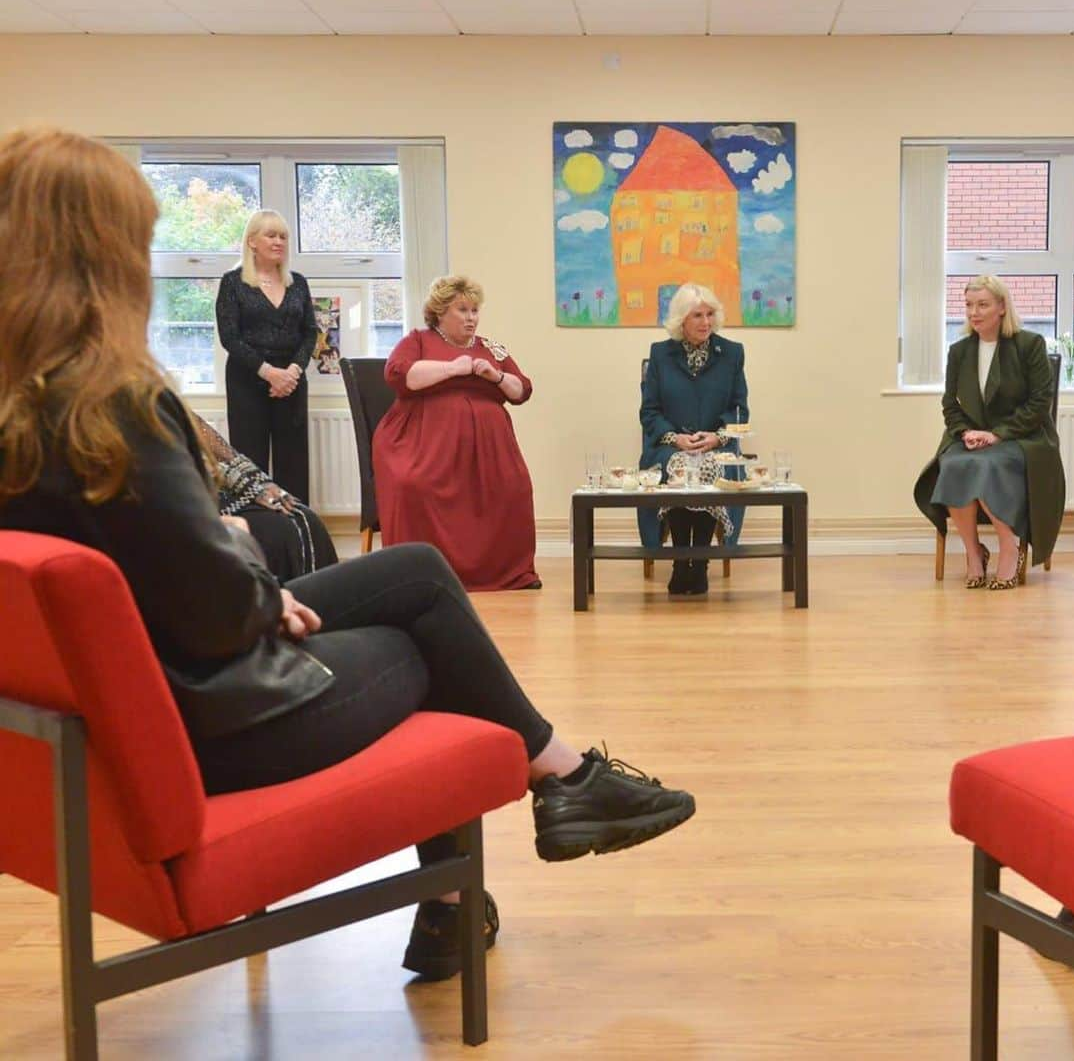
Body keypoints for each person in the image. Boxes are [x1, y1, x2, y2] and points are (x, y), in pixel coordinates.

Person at [0, 128, 695, 983]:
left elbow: (116, 575)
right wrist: (249, 566)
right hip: (222, 725)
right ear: (108, 259)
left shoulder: (25, 406)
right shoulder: (116, 403)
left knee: (414, 573)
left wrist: (234, 569)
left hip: (118, 724)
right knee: (425, 642)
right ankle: (542, 796)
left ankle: (549, 792)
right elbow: (217, 607)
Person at [373, 275, 540, 591]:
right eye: (462, 310)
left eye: (475, 310)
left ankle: (509, 573)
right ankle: (418, 574)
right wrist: (453, 368)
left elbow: (521, 391)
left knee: (515, 488)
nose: (471, 318)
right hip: (425, 445)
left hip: (489, 449)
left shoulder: (490, 348)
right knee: (414, 486)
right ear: (440, 312)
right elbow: (398, 374)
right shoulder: (418, 340)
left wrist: (496, 375)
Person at [914, 275, 1065, 589]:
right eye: (969, 305)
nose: (974, 312)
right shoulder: (959, 351)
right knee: (954, 463)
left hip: (1024, 437)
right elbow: (949, 403)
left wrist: (997, 435)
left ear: (1001, 307)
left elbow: (1039, 403)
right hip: (972, 437)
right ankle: (974, 553)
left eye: (982, 304)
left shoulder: (1029, 344)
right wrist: (966, 432)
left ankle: (1008, 545)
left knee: (985, 464)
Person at [639, 283, 749, 597]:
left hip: (717, 445)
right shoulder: (661, 354)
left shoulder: (731, 353)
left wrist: (718, 436)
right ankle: (679, 561)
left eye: (710, 314)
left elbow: (740, 408)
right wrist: (675, 438)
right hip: (670, 445)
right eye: (697, 315)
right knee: (680, 464)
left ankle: (699, 563)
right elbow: (649, 411)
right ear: (681, 321)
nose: (705, 322)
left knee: (706, 465)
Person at [215, 209, 316, 504]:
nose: (279, 242)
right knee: (250, 462)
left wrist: (292, 372)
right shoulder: (233, 283)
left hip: (292, 382)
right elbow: (229, 337)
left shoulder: (298, 283)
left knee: (293, 461)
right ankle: (257, 533)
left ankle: (298, 533)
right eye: (270, 235)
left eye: (283, 236)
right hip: (248, 380)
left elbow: (309, 332)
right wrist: (269, 372)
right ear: (252, 242)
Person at [193, 413, 338, 582]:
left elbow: (226, 454)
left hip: (222, 491)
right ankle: (285, 601)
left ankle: (320, 605)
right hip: (199, 503)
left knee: (304, 517)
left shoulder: (170, 403)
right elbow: (193, 465)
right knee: (279, 531)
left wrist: (264, 482)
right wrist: (248, 487)